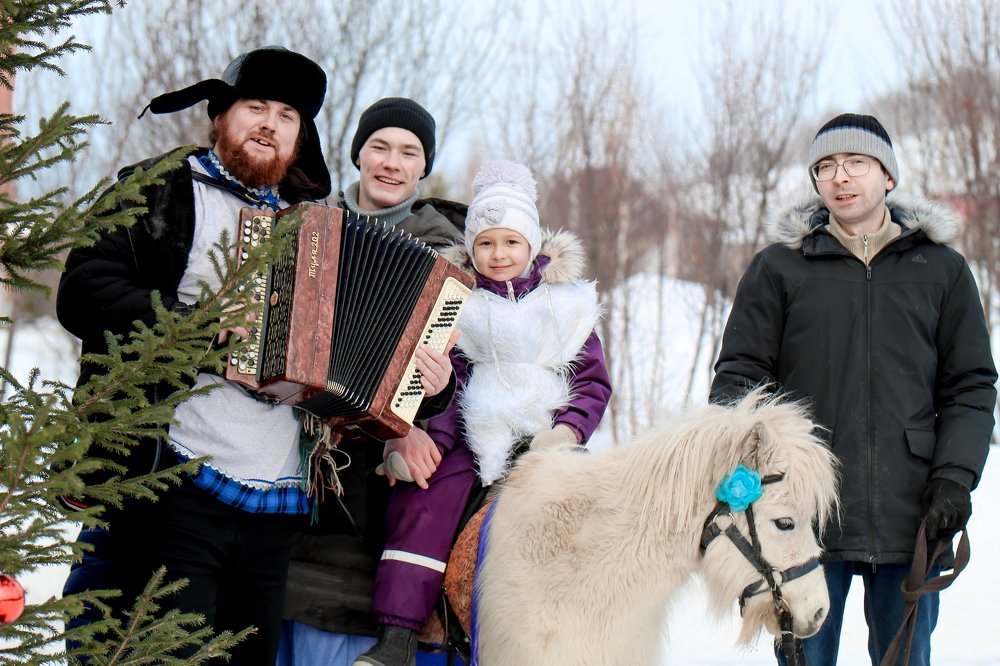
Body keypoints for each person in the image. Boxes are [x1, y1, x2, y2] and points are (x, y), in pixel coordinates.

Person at [56, 49, 455, 665]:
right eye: (256, 107)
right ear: (222, 114)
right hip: (179, 481)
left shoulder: (310, 228)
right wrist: (196, 328)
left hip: (278, 504)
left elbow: (352, 364)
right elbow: (82, 289)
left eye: (287, 115)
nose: (269, 123)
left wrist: (423, 388)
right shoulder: (163, 187)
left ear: (301, 138)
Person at [709, 113, 997, 666]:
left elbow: (970, 385)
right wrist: (747, 470)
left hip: (912, 511)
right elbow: (741, 379)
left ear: (887, 176)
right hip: (803, 517)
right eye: (826, 167)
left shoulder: (941, 270)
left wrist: (954, 480)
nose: (840, 178)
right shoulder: (779, 269)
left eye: (855, 163)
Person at [352, 159, 613, 666]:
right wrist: (435, 442)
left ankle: (584, 634)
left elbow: (592, 382)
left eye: (511, 242)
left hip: (546, 436)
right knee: (423, 502)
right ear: (471, 247)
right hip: (474, 434)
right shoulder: (457, 302)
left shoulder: (566, 307)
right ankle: (399, 635)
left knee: (586, 516)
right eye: (486, 243)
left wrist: (567, 431)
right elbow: (448, 383)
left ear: (532, 244)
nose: (498, 255)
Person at [279, 98, 468, 665]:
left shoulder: (448, 254)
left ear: (423, 167)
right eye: (380, 147)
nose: (392, 163)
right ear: (358, 154)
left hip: (364, 476)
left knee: (331, 627)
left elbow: (453, 378)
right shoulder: (306, 224)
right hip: (281, 447)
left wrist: (433, 392)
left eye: (409, 152)